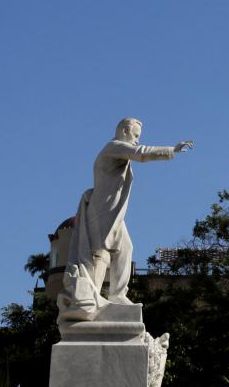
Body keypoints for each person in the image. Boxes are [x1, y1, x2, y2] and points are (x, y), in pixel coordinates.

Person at [58, 118, 193, 321]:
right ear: (123, 131)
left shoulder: (118, 151)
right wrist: (171, 150)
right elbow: (141, 154)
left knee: (125, 248)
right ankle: (90, 297)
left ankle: (117, 295)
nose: (137, 141)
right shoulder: (113, 147)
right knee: (99, 255)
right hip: (101, 212)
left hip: (113, 215)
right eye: (135, 135)